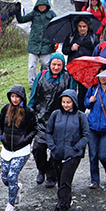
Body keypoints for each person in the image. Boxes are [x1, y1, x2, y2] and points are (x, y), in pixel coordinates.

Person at [29, 53, 75, 187]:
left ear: (63, 66)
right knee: (38, 148)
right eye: (54, 64)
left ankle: (51, 175)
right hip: (41, 117)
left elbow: (72, 96)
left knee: (56, 151)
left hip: (59, 119)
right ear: (49, 64)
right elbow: (33, 96)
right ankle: (41, 169)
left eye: (59, 65)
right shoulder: (41, 76)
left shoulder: (68, 78)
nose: (56, 67)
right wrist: (28, 111)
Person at [43, 89, 89, 211]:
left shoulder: (81, 116)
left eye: (68, 102)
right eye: (64, 102)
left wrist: (76, 148)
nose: (66, 105)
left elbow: (86, 135)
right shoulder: (55, 114)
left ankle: (61, 208)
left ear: (74, 102)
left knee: (65, 180)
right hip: (57, 153)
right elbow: (48, 132)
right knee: (60, 179)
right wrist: (52, 147)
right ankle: (66, 200)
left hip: (73, 155)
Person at [0, 86, 36, 211]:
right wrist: (1, 137)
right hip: (7, 148)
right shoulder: (5, 109)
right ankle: (16, 188)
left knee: (12, 175)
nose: (15, 99)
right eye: (12, 96)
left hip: (21, 150)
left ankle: (11, 204)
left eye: (17, 97)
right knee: (5, 178)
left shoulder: (28, 112)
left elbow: (34, 129)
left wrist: (25, 140)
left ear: (22, 97)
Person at [26, 0, 57, 82]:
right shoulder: (33, 14)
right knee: (32, 65)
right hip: (34, 44)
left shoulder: (51, 15)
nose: (42, 7)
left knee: (46, 64)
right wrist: (16, 11)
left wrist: (55, 40)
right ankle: (32, 83)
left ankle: (43, 80)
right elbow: (21, 19)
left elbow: (57, 27)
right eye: (40, 5)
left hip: (47, 44)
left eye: (44, 5)